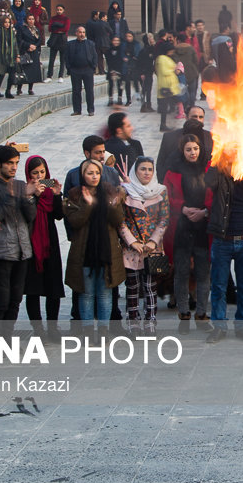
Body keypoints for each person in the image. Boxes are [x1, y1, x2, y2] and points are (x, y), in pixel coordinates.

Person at [204, 149, 243, 343]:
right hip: (222, 240)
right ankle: (219, 327)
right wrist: (216, 158)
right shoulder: (219, 177)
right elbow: (208, 181)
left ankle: (242, 326)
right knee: (219, 286)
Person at [0, 145, 37, 340]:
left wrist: (28, 198)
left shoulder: (20, 185)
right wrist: (10, 198)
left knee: (15, 300)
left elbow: (30, 217)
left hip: (22, 250)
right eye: (9, 163)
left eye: (16, 163)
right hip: (2, 250)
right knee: (2, 300)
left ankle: (8, 338)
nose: (13, 167)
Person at [63, 159, 126, 335]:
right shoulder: (75, 195)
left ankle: (104, 330)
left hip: (106, 251)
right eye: (90, 173)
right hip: (84, 252)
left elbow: (118, 220)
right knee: (86, 293)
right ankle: (88, 331)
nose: (94, 176)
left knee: (105, 294)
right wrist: (88, 205)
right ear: (82, 175)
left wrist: (113, 204)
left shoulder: (109, 192)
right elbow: (75, 221)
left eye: (97, 173)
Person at [164, 136, 212, 331]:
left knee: (203, 274)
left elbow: (216, 195)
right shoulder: (172, 172)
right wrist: (183, 209)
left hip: (203, 228)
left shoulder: (210, 169)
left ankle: (201, 314)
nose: (192, 152)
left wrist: (204, 212)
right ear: (182, 151)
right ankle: (183, 314)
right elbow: (167, 196)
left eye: (195, 148)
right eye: (188, 149)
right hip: (180, 228)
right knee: (181, 273)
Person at [119, 157, 170, 336]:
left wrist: (152, 241)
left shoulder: (160, 191)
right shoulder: (125, 191)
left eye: (150, 169)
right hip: (131, 248)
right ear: (135, 171)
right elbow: (121, 220)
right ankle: (133, 323)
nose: (147, 173)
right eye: (142, 169)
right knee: (132, 286)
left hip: (152, 248)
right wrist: (132, 241)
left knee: (150, 286)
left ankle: (150, 323)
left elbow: (164, 218)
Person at [22, 156, 65, 343]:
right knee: (33, 288)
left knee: (53, 286)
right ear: (28, 174)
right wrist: (32, 197)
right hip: (31, 243)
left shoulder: (49, 190)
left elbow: (58, 215)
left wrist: (56, 194)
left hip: (50, 242)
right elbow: (25, 216)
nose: (39, 176)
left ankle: (53, 327)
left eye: (42, 172)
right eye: (35, 173)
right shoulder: (25, 190)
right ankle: (38, 328)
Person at [64, 25, 98, 116]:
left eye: (83, 32)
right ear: (76, 33)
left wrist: (93, 67)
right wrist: (69, 68)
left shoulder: (90, 43)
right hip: (75, 70)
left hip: (88, 70)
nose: (82, 34)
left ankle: (91, 110)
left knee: (89, 91)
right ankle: (77, 110)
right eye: (80, 32)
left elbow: (95, 56)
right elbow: (66, 57)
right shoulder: (70, 44)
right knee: (76, 91)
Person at [0, 15, 19, 100]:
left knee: (11, 74)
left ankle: (8, 91)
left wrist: (17, 55)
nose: (7, 24)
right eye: (5, 22)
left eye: (8, 22)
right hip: (3, 56)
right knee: (2, 74)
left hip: (11, 56)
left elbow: (15, 44)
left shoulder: (12, 32)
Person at [155, 41, 180, 132]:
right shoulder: (161, 59)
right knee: (164, 107)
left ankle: (164, 124)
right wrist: (174, 69)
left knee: (169, 105)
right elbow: (164, 71)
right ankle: (163, 124)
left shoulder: (167, 58)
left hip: (170, 86)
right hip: (165, 86)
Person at [17, 13, 43, 95]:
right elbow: (19, 39)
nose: (31, 21)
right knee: (23, 70)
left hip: (34, 51)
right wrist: (28, 45)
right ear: (26, 20)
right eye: (29, 19)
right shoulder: (22, 28)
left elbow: (39, 40)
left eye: (32, 19)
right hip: (25, 51)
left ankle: (30, 88)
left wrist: (35, 46)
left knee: (33, 71)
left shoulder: (36, 29)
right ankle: (19, 88)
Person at [46, 4, 71, 82]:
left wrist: (56, 27)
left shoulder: (66, 19)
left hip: (62, 40)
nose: (59, 11)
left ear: (63, 10)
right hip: (54, 40)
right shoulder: (53, 18)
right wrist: (59, 29)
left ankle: (61, 76)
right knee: (51, 59)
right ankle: (49, 76)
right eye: (57, 9)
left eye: (60, 10)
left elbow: (65, 28)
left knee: (62, 59)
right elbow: (50, 28)